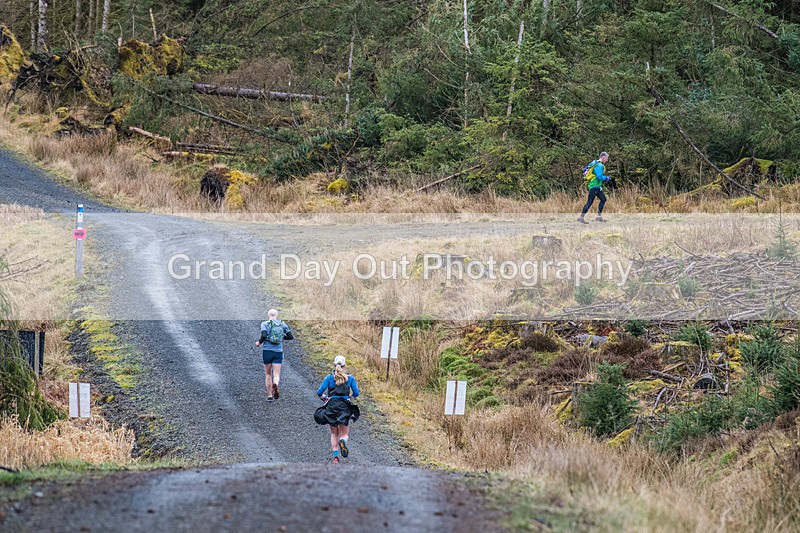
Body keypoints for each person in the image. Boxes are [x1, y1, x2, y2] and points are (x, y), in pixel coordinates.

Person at [314, 355, 361, 464]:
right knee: (344, 434)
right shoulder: (350, 378)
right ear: (345, 366)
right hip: (344, 407)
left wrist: (324, 398)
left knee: (334, 433)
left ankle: (335, 457)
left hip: (331, 406)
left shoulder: (329, 378)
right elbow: (356, 393)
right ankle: (342, 441)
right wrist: (350, 398)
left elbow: (319, 392)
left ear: (334, 365)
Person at [255, 309, 293, 401]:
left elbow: (264, 336)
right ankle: (275, 384)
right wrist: (280, 337)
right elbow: (290, 336)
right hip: (278, 351)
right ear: (277, 315)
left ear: (268, 315)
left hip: (267, 351)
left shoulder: (264, 324)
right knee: (276, 374)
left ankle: (269, 396)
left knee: (268, 374)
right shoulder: (282, 324)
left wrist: (259, 343)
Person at [578, 151, 612, 224]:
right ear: (603, 157)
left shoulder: (595, 163)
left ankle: (599, 217)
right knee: (589, 202)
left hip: (597, 186)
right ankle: (581, 218)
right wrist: (606, 178)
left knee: (603, 199)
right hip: (594, 186)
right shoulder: (599, 165)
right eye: (606, 158)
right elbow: (599, 176)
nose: (607, 160)